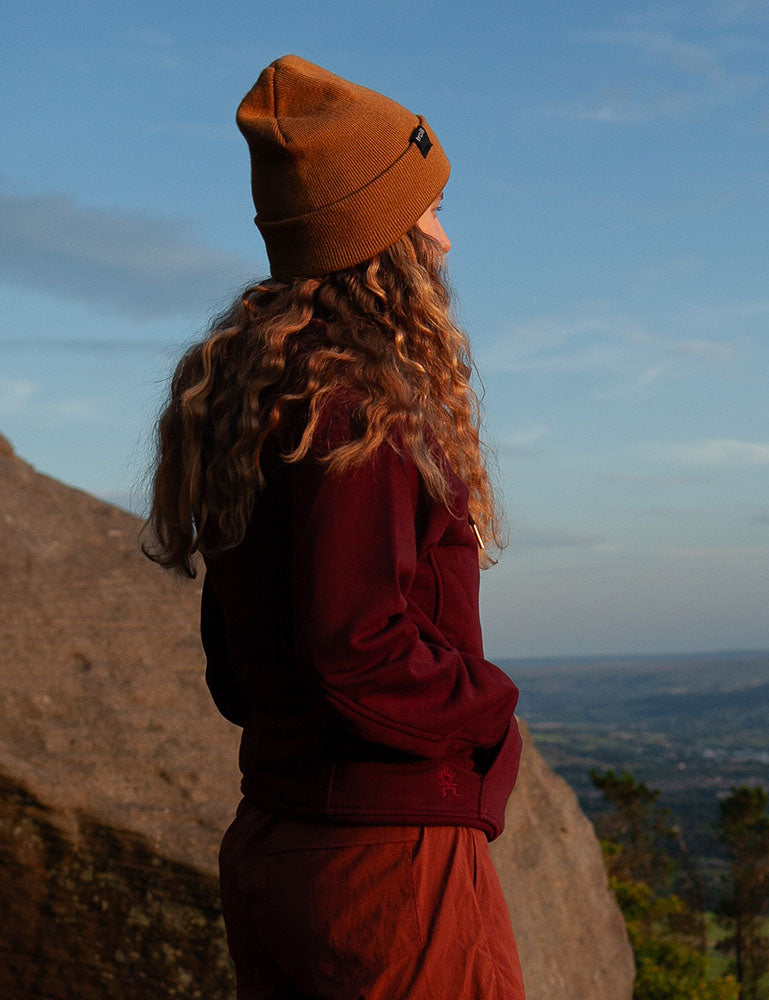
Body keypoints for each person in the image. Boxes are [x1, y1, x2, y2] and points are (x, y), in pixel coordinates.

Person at [144, 54, 525, 1000]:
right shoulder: (356, 407)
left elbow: (238, 663)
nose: (445, 239)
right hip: (387, 869)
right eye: (429, 211)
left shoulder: (257, 390)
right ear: (381, 234)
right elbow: (353, 646)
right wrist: (488, 703)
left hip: (278, 842)